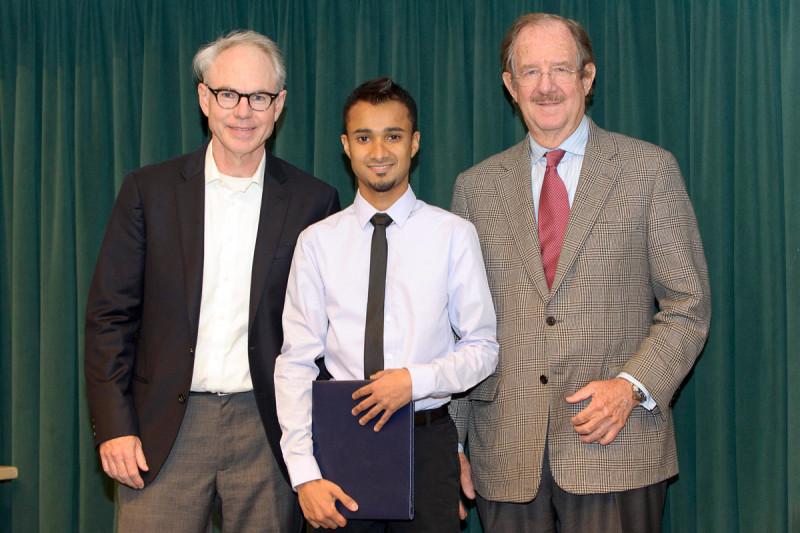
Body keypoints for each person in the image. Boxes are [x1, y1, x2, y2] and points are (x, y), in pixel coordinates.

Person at [450, 13, 712, 533]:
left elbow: (688, 307)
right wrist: (451, 444)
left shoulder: (649, 171)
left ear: (587, 79)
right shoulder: (474, 189)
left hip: (616, 447)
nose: (545, 86)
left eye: (560, 70)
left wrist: (630, 387)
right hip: (505, 457)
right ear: (510, 85)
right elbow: (459, 327)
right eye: (530, 72)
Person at [84, 30, 340, 532]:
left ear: (279, 105)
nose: (243, 111)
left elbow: (326, 335)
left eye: (259, 97)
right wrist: (114, 427)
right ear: (204, 98)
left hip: (269, 432)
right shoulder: (148, 191)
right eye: (228, 94)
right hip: (163, 433)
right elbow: (109, 319)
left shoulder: (314, 202)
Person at [274, 77, 499, 532]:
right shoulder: (317, 243)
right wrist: (304, 474)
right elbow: (296, 361)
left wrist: (413, 381)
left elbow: (483, 348)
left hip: (427, 443)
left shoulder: (453, 235)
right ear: (346, 146)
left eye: (393, 135)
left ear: (414, 143)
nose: (379, 150)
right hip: (339, 445)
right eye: (364, 137)